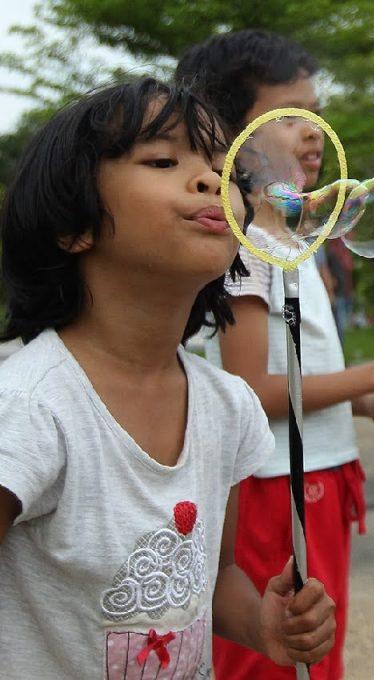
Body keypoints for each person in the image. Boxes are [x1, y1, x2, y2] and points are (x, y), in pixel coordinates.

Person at [0, 78, 338, 679]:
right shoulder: (29, 407)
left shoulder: (227, 405)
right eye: (162, 160)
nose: (212, 179)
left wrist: (265, 624)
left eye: (223, 168)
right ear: (72, 227)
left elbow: (218, 574)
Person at [176, 30, 374, 680]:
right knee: (273, 657)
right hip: (275, 487)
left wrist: (368, 399)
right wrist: (372, 371)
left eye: (318, 116)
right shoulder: (246, 243)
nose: (315, 134)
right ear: (229, 134)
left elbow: (303, 377)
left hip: (316, 480)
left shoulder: (289, 238)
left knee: (317, 653)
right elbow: (248, 388)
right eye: (295, 115)